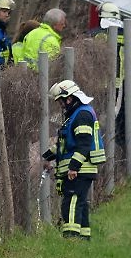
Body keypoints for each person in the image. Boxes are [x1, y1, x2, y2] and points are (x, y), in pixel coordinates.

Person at [44, 79, 106, 239]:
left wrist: (73, 167)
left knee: (71, 201)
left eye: (61, 102)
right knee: (80, 202)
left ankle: (71, 237)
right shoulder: (75, 116)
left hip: (80, 169)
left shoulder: (82, 115)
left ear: (69, 98)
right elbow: (65, 145)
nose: (61, 106)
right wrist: (46, 157)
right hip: (80, 168)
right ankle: (84, 238)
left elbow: (83, 144)